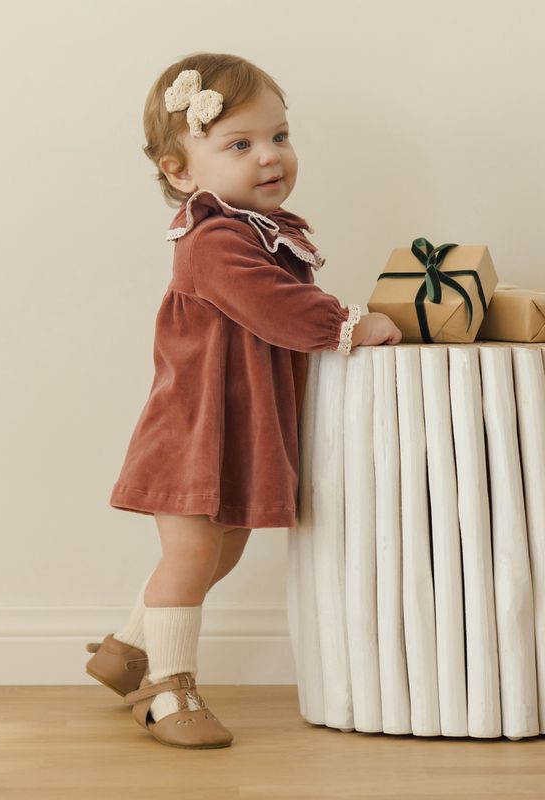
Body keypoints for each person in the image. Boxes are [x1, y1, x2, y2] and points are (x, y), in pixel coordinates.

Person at [85, 52, 402, 749]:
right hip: (194, 430)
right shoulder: (213, 240)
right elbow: (275, 307)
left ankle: (128, 648)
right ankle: (166, 690)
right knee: (192, 558)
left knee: (219, 551)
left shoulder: (261, 232)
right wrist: (349, 324)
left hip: (234, 428)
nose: (269, 156)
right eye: (239, 144)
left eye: (279, 136)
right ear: (180, 171)